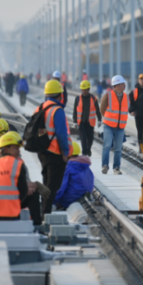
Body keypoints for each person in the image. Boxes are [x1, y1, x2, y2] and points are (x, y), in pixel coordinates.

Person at [0, 132, 43, 226]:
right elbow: (23, 190)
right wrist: (13, 204)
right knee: (33, 193)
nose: (19, 151)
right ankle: (36, 226)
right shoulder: (17, 164)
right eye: (16, 148)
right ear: (5, 148)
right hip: (10, 213)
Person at [36, 79, 71, 214]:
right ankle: (45, 211)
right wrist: (65, 152)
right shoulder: (58, 110)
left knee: (46, 181)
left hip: (42, 152)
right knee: (53, 185)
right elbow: (62, 134)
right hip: (55, 152)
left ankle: (44, 208)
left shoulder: (39, 108)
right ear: (60, 95)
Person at [100, 75, 129, 175]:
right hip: (108, 125)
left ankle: (116, 168)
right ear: (116, 85)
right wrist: (109, 119)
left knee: (118, 148)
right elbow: (102, 109)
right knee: (107, 146)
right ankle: (105, 166)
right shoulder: (108, 95)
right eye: (122, 84)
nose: (124, 85)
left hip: (120, 127)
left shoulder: (126, 96)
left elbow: (125, 110)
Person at [54, 141, 95, 209]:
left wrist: (54, 201)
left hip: (70, 199)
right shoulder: (86, 166)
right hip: (84, 196)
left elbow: (61, 187)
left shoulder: (68, 167)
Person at [72, 81, 102, 156]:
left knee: (90, 138)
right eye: (83, 89)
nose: (84, 91)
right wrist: (75, 121)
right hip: (81, 122)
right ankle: (84, 152)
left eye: (85, 89)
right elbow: (75, 111)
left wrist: (99, 120)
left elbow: (97, 110)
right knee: (83, 138)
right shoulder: (78, 98)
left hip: (90, 122)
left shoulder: (93, 98)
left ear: (88, 89)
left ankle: (88, 149)